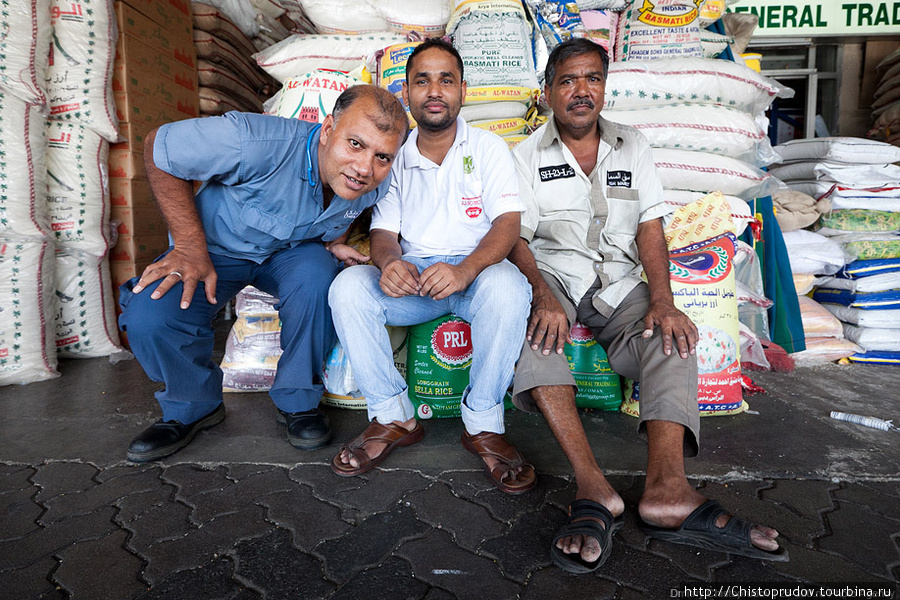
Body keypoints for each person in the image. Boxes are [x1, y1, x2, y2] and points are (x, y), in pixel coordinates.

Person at [507, 38, 787, 571]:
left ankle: (668, 490)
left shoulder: (632, 144)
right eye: (567, 81)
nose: (580, 91)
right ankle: (593, 489)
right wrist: (541, 294)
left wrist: (665, 300)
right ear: (547, 93)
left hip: (619, 285)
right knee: (534, 341)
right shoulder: (523, 156)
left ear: (604, 88)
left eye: (591, 79)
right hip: (557, 279)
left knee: (673, 340)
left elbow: (649, 227)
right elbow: (517, 238)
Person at [119, 85, 409, 463]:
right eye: (355, 144)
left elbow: (344, 211)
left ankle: (298, 402)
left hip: (288, 255)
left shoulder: (376, 179)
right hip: (213, 252)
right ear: (327, 129)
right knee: (150, 312)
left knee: (321, 275)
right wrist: (189, 245)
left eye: (382, 156)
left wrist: (332, 242)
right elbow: (160, 148)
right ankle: (192, 405)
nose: (365, 168)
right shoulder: (253, 141)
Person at [327, 39, 535, 494]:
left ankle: (482, 423)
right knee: (347, 288)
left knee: (510, 288)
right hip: (416, 280)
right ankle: (394, 416)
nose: (434, 90)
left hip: (477, 274)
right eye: (423, 80)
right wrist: (389, 263)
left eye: (446, 80)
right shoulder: (393, 155)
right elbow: (383, 233)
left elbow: (507, 225)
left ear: (463, 89)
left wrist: (465, 271)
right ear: (407, 90)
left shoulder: (488, 147)